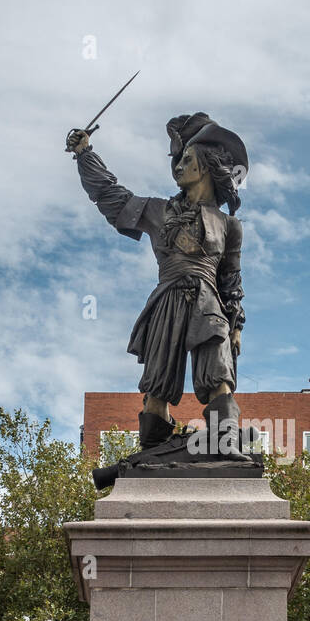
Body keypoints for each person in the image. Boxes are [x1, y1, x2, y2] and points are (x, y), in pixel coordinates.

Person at [67, 112, 249, 455]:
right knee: (157, 386)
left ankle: (225, 448)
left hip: (209, 303)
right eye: (177, 161)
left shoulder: (229, 226)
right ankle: (153, 450)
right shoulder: (158, 211)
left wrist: (236, 325)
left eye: (187, 160)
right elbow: (112, 196)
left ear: (206, 166)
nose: (178, 167)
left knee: (219, 376)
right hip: (166, 300)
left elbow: (231, 280)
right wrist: (85, 154)